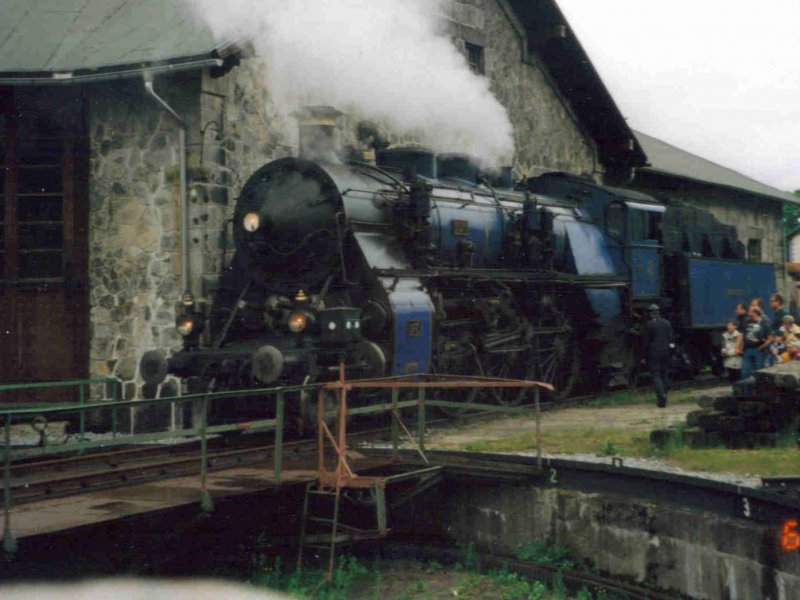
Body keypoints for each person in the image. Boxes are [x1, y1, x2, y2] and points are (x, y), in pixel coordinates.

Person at [642, 304, 674, 408]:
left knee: (656, 375)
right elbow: (671, 339)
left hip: (654, 353)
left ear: (650, 313)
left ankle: (661, 397)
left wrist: (643, 355)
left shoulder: (649, 325)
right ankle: (665, 393)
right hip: (666, 352)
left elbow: (646, 342)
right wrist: (672, 352)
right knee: (665, 374)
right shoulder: (667, 323)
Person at [740, 306, 770, 379]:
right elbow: (743, 334)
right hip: (747, 349)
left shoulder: (764, 323)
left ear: (755, 313)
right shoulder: (746, 321)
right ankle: (747, 388)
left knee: (759, 372)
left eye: (750, 311)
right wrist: (740, 346)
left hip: (758, 350)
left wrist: (762, 347)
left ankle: (759, 388)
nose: (748, 312)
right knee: (744, 372)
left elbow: (770, 338)